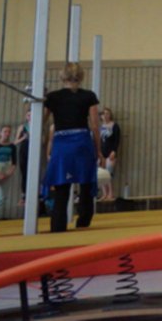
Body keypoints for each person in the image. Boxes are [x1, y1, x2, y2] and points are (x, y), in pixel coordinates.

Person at [43, 62, 103, 233]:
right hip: (81, 141)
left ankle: (58, 226)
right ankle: (83, 221)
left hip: (62, 143)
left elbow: (42, 121)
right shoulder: (88, 96)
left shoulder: (53, 97)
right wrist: (99, 150)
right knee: (86, 183)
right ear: (81, 76)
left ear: (62, 76)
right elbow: (95, 126)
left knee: (62, 187)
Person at [98, 107, 122, 201]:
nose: (105, 115)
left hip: (110, 152)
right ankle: (104, 193)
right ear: (101, 116)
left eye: (107, 113)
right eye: (103, 114)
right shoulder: (100, 127)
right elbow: (99, 141)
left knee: (108, 174)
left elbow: (117, 140)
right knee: (101, 174)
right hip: (102, 153)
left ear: (110, 115)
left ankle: (110, 194)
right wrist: (98, 153)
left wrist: (114, 151)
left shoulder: (114, 126)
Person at [14, 109, 30, 206]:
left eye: (31, 115)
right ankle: (24, 195)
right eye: (28, 115)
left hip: (34, 151)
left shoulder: (38, 126)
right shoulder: (22, 127)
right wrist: (23, 138)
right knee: (24, 173)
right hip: (24, 150)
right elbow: (15, 142)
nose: (30, 117)